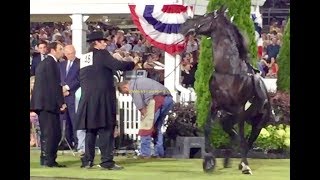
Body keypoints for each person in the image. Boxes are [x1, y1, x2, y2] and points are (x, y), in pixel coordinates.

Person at [75, 31, 135, 170]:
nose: (105, 43)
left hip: (88, 97)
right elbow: (118, 65)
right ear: (96, 43)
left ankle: (87, 161)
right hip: (102, 97)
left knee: (91, 130)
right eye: (103, 41)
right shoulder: (102, 54)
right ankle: (107, 161)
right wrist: (132, 63)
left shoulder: (84, 57)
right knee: (106, 129)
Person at [30, 41, 67, 167]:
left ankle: (46, 159)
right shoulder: (51, 64)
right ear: (53, 50)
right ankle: (48, 160)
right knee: (52, 133)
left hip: (43, 103)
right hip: (48, 104)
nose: (63, 51)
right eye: (60, 48)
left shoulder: (45, 63)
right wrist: (61, 102)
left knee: (49, 132)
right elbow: (54, 85)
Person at [117, 77, 174, 158]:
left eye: (126, 93)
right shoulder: (139, 81)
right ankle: (159, 153)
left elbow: (140, 106)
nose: (128, 94)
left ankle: (145, 154)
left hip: (158, 99)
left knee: (145, 128)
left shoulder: (133, 87)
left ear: (125, 87)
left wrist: (145, 117)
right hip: (168, 99)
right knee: (156, 127)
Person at [59, 45, 80, 150]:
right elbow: (59, 78)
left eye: (72, 53)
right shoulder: (61, 64)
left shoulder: (80, 63)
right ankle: (67, 143)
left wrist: (67, 88)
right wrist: (61, 90)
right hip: (63, 97)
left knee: (74, 120)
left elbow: (80, 79)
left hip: (74, 96)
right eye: (68, 54)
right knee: (65, 121)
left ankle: (77, 143)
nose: (70, 55)